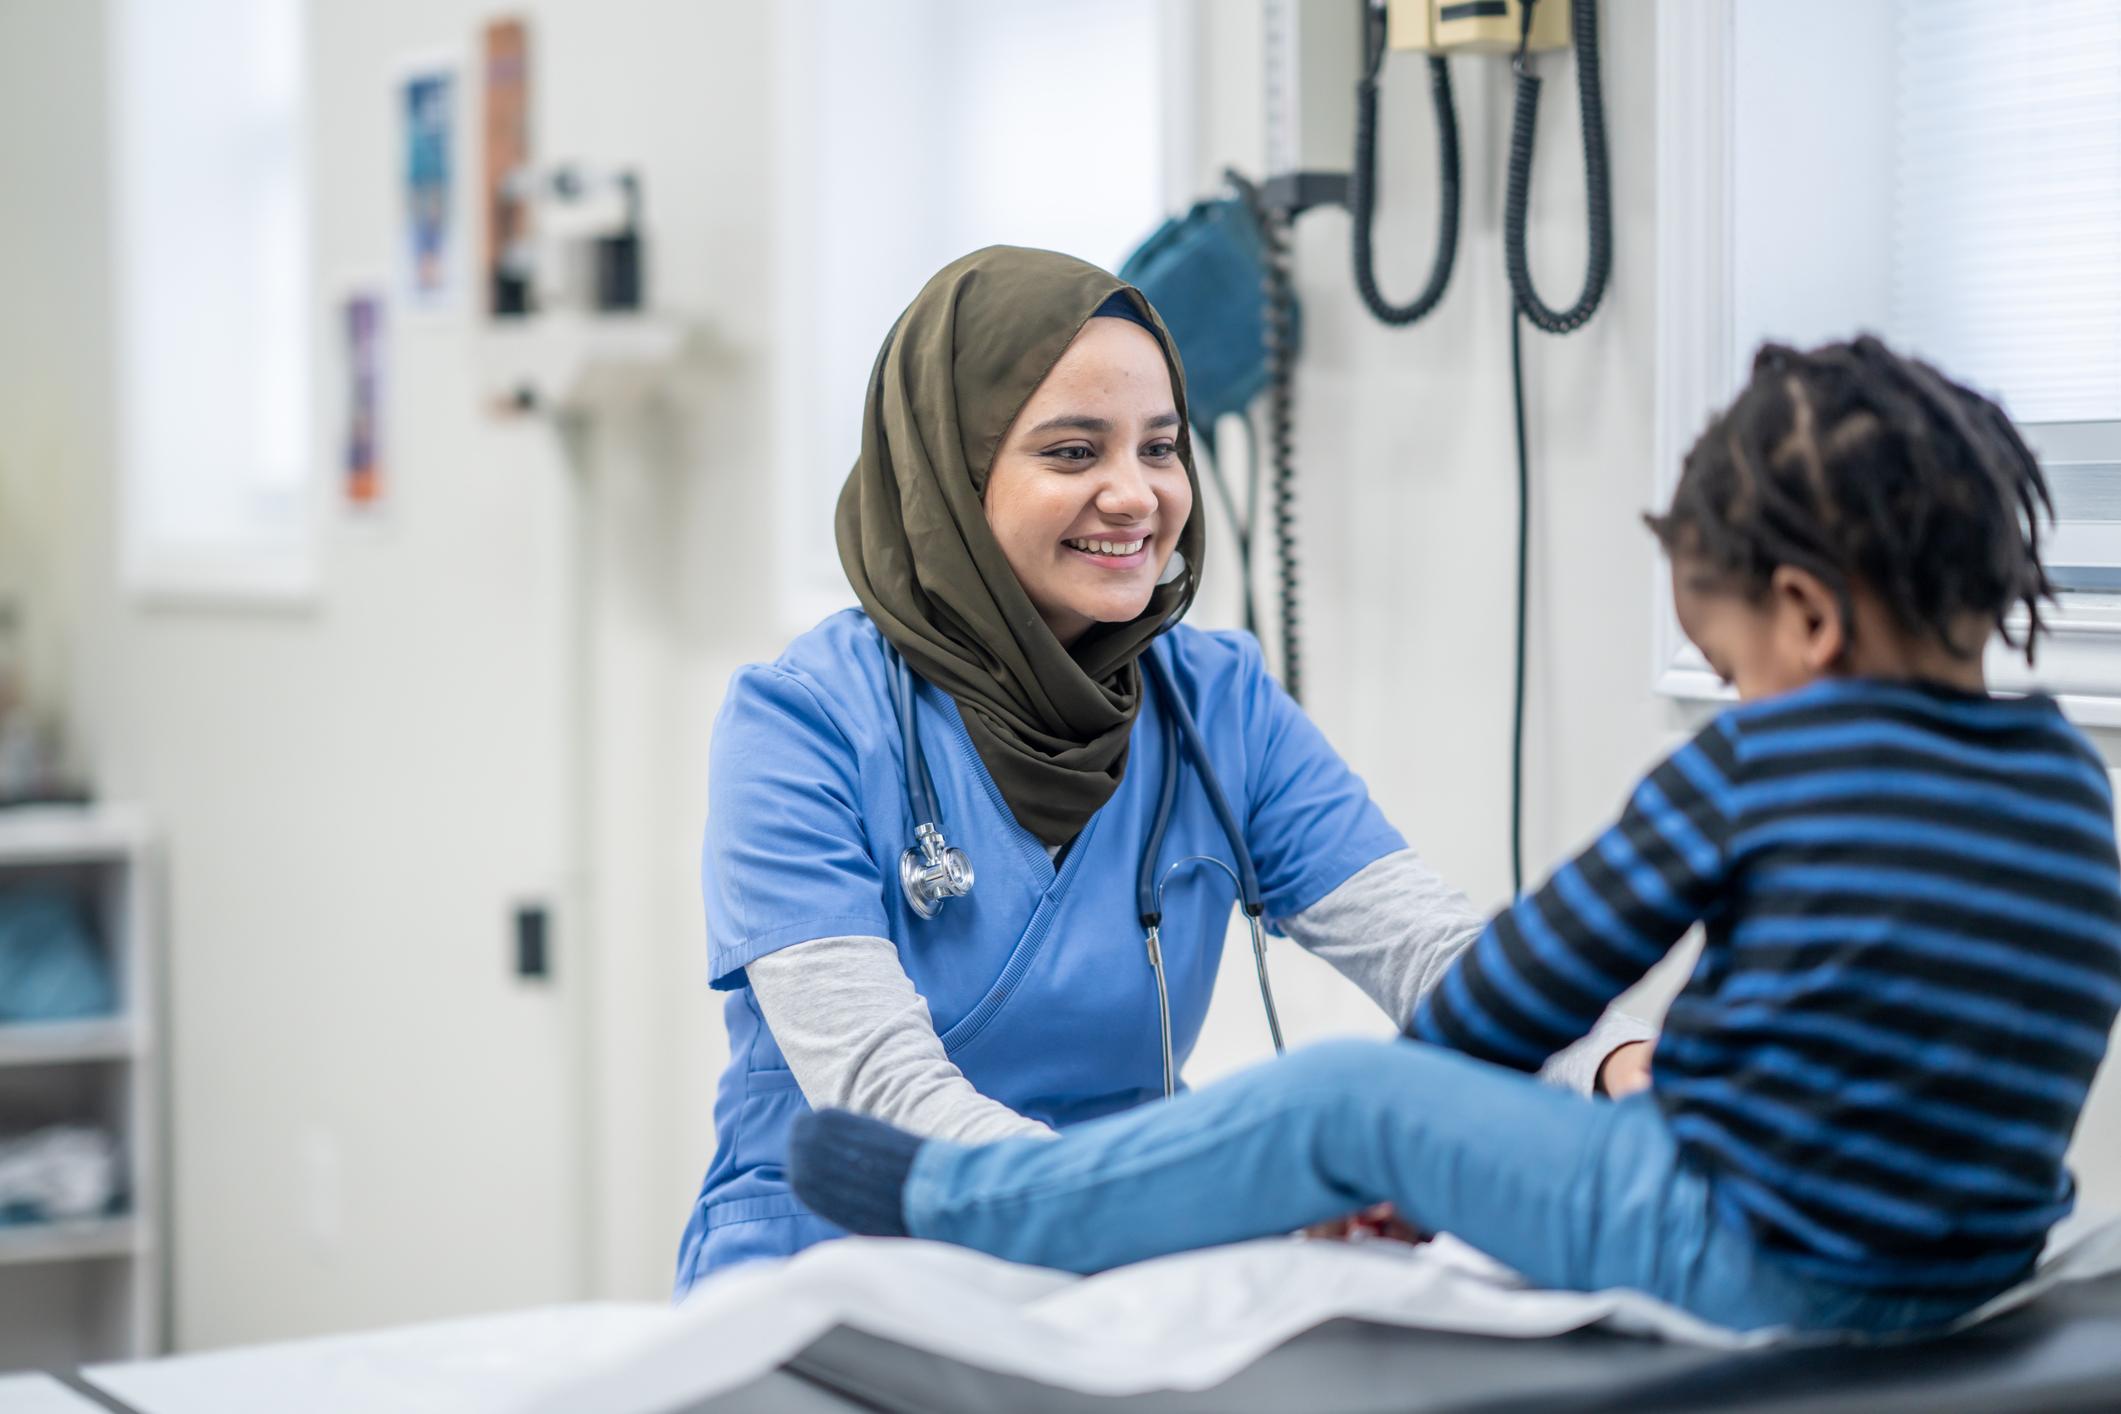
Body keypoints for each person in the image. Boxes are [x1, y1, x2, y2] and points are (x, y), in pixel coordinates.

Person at [787, 336, 2121, 1335]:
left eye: (1732, 659)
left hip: (1746, 1241)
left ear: (1806, 614)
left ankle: (962, 1203)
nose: (1738, 694)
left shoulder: (1760, 761)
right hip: (1977, 1258)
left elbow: (1527, 977)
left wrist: (1406, 1136)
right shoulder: (2066, 779)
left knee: (1342, 1092)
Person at [674, 247, 1649, 1293]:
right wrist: (1204, 1201)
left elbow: (1430, 948)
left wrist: (1619, 1069)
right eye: (1073, 451)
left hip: (1131, 1279)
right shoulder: (802, 723)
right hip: (844, 1265)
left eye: (1161, 447)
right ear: (952, 478)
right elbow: (881, 1090)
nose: (1135, 495)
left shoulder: (1213, 698)